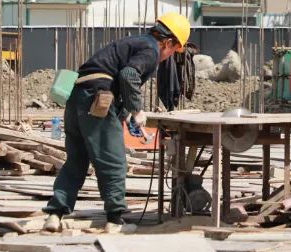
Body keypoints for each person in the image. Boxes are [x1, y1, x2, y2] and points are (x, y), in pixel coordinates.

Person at [43, 12, 191, 234]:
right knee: (113, 161)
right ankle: (114, 221)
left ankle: (55, 214)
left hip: (77, 98)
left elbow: (113, 74)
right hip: (98, 99)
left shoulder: (134, 42)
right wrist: (137, 110)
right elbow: (129, 75)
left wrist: (124, 110)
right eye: (174, 49)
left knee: (76, 161)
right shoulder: (151, 49)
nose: (170, 56)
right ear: (168, 42)